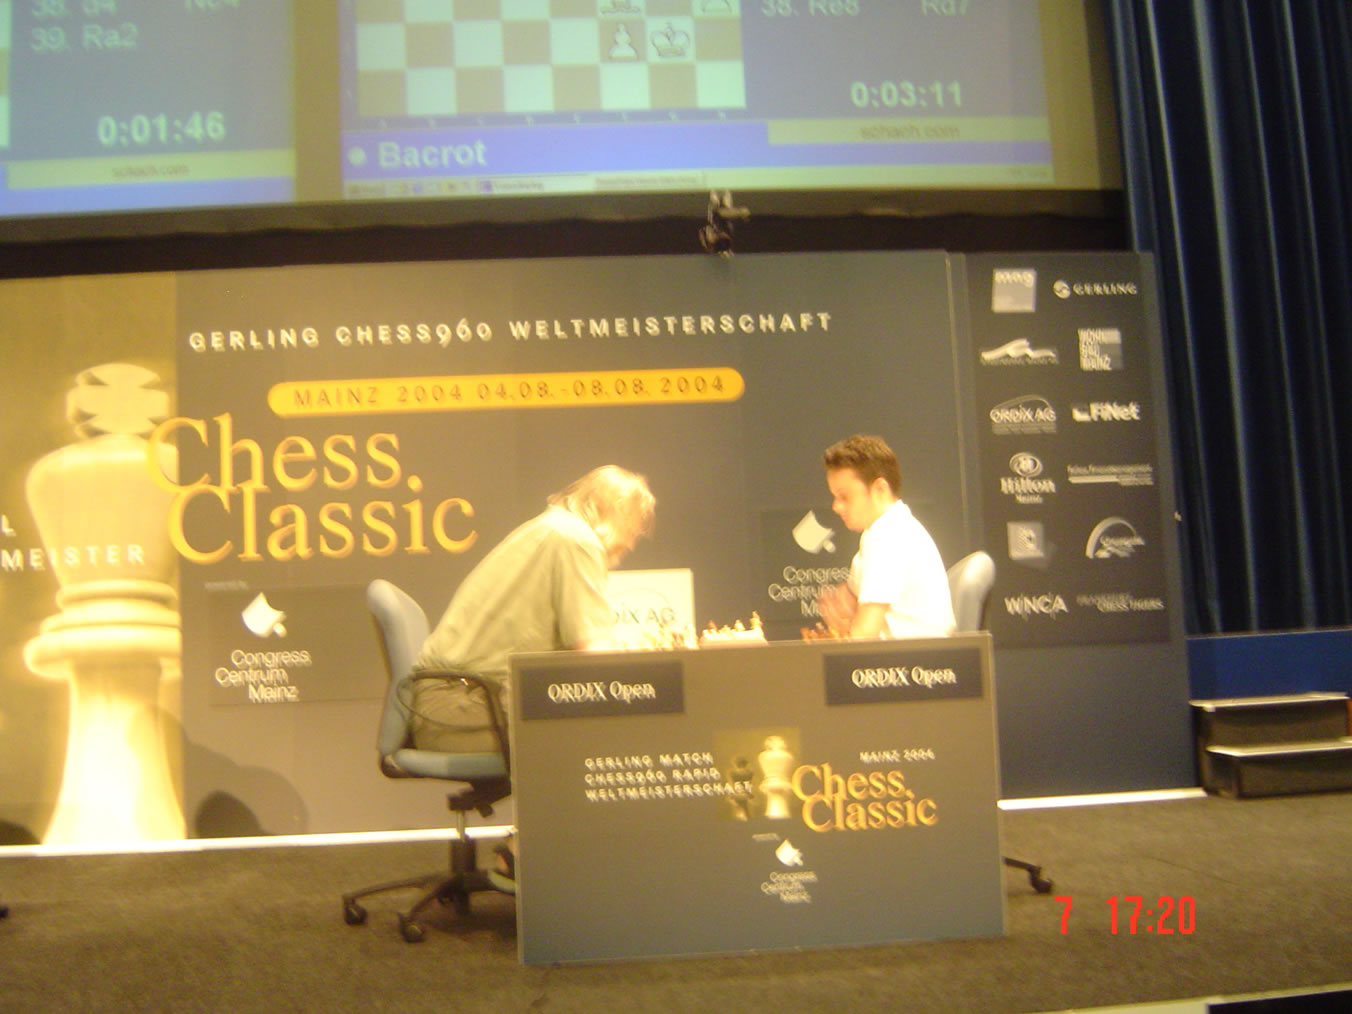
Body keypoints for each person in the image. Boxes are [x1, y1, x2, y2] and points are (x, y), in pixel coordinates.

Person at [408, 465, 656, 755]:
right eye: (632, 529)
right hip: (463, 710)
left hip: (449, 705)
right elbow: (596, 655)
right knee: (621, 737)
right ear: (615, 512)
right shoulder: (576, 540)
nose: (631, 543)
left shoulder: (554, 530)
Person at [817, 434, 956, 640]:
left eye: (844, 496)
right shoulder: (886, 528)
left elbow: (864, 635)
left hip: (915, 658)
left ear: (880, 489)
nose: (836, 506)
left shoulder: (887, 534)